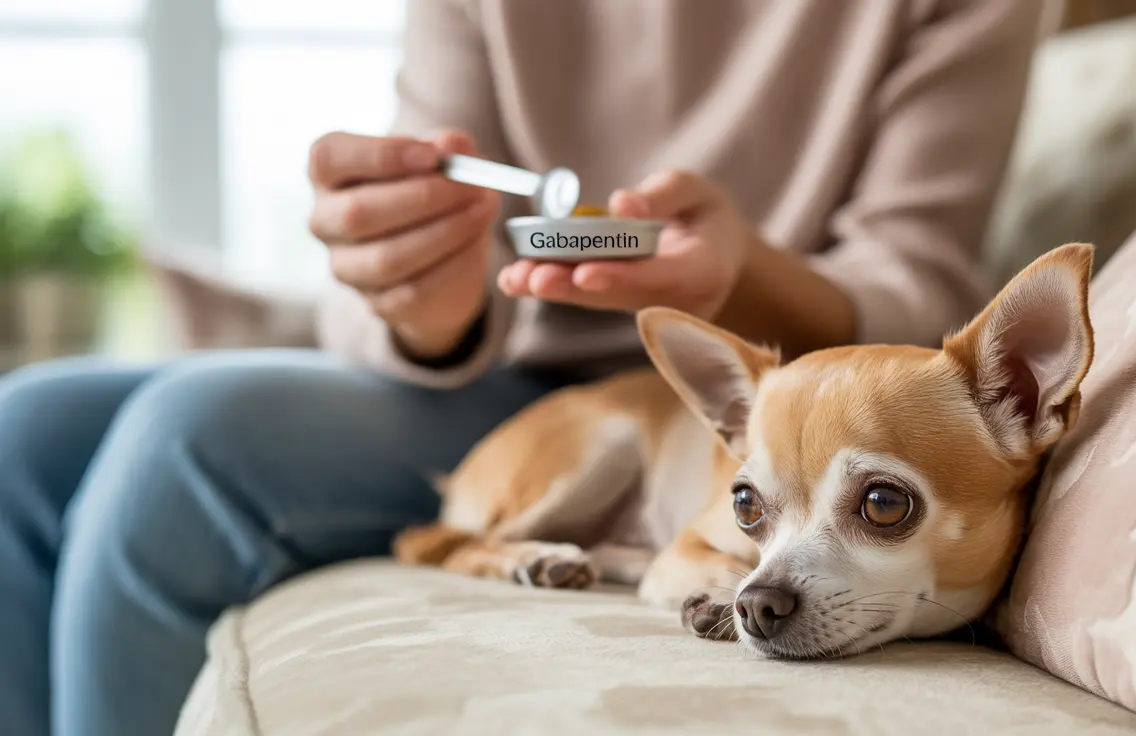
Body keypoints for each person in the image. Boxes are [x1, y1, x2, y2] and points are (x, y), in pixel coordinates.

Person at [0, 2, 1045, 734]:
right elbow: (392, 291)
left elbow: (912, 291)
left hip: (754, 387)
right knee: (26, 427)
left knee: (181, 439)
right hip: (473, 378)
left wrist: (737, 279)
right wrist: (418, 295)